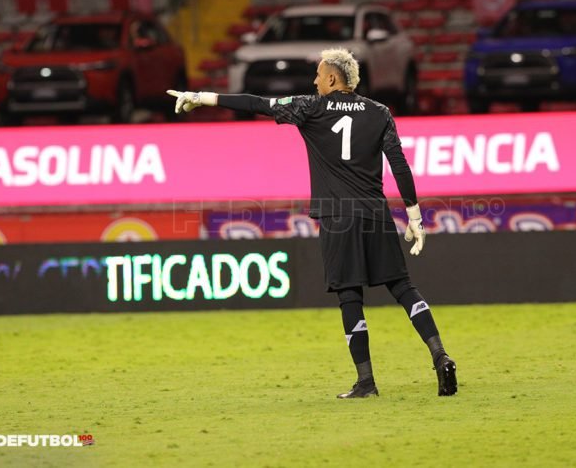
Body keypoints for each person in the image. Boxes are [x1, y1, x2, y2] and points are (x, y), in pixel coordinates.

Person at [167, 48, 457, 398]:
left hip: (337, 216)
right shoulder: (379, 112)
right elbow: (399, 165)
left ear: (333, 78)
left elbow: (256, 103)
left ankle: (366, 382)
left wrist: (202, 97)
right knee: (402, 287)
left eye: (319, 75)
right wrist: (413, 215)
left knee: (350, 296)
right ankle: (440, 356)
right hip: (376, 214)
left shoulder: (310, 108)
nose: (315, 81)